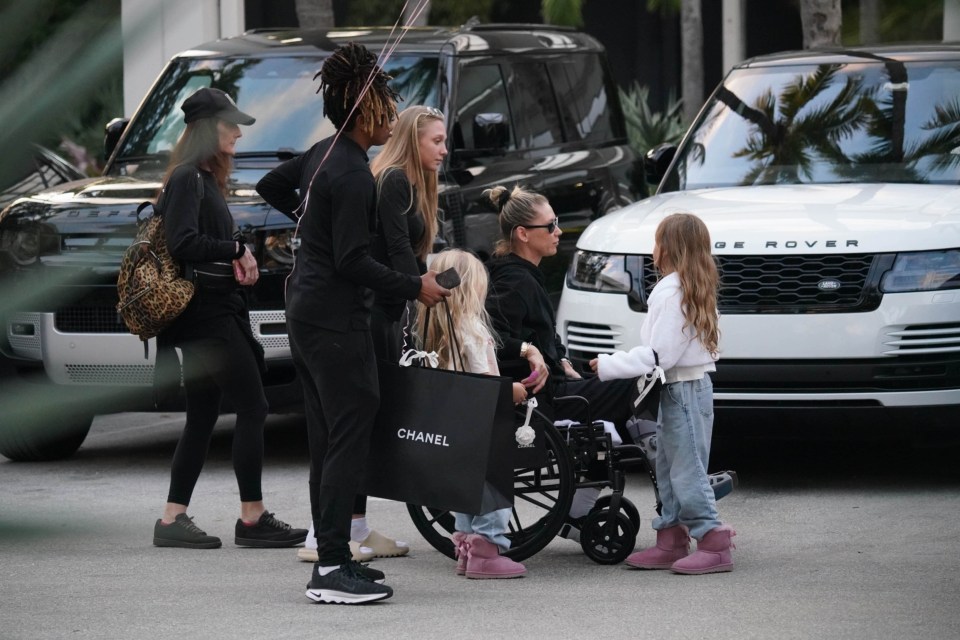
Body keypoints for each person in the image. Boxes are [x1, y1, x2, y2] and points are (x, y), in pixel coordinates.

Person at [256, 43, 449, 604]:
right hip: (336, 321)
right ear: (364, 109)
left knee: (329, 438)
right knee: (347, 437)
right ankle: (330, 570)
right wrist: (416, 285)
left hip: (308, 314)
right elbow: (352, 262)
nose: (393, 116)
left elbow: (272, 186)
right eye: (386, 105)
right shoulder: (353, 175)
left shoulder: (323, 153)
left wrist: (308, 223)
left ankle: (336, 557)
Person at [152, 87, 307, 550]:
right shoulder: (187, 179)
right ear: (205, 129)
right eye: (229, 124)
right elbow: (182, 242)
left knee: (202, 416)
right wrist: (235, 248)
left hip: (212, 310)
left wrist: (237, 252)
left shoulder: (200, 178)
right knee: (254, 406)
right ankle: (252, 518)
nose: (238, 132)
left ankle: (171, 519)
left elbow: (198, 240)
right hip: (207, 315)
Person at [296, 105, 449, 564]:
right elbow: (396, 249)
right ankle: (325, 540)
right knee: (346, 428)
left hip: (375, 308)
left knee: (357, 426)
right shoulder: (387, 178)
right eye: (436, 141)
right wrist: (420, 290)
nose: (444, 149)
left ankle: (352, 528)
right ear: (411, 139)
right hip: (370, 312)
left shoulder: (382, 174)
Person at [483, 184, 639, 537]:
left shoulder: (521, 273)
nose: (558, 232)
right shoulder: (513, 281)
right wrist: (527, 351)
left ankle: (585, 506)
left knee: (631, 381)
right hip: (537, 400)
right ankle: (672, 484)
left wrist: (561, 358)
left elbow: (541, 332)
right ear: (523, 234)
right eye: (550, 226)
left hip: (552, 384)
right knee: (637, 383)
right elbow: (492, 339)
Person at [592, 212, 736, 574]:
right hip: (685, 388)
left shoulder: (671, 292)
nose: (652, 250)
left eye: (656, 242)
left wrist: (608, 365)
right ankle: (671, 538)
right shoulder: (690, 287)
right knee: (671, 468)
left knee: (686, 471)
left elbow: (660, 355)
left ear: (667, 249)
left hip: (681, 390)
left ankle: (713, 540)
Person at [413, 249, 529, 579]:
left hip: (453, 425)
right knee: (492, 489)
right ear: (469, 288)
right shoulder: (472, 330)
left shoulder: (438, 332)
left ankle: (466, 548)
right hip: (482, 426)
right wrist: (513, 390)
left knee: (464, 490)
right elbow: (483, 383)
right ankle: (487, 550)